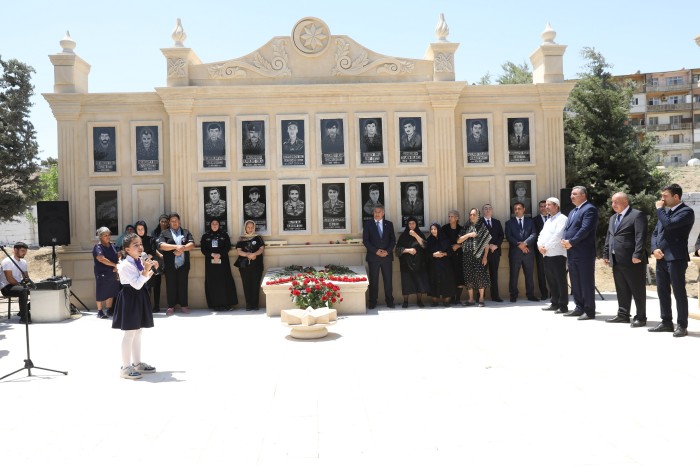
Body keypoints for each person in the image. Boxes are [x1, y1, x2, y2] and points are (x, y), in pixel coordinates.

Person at [649, 183, 695, 337]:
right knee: (662, 291)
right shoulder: (665, 212)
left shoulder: (686, 212)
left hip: (676, 258)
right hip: (661, 257)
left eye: (665, 196)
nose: (662, 199)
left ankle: (682, 325)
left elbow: (669, 226)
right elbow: (655, 233)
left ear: (676, 197)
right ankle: (666, 322)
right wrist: (654, 249)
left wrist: (659, 209)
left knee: (679, 292)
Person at [111, 232, 158, 380]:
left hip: (139, 297)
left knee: (138, 331)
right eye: (135, 245)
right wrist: (145, 270)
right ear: (127, 250)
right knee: (130, 332)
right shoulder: (125, 265)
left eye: (140, 244)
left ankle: (137, 363)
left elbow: (142, 280)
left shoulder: (138, 261)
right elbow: (136, 284)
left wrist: (150, 269)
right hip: (130, 298)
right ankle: (125, 367)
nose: (139, 247)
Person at [603, 192, 648, 327]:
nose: (613, 205)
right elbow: (609, 237)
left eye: (616, 202)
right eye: (612, 202)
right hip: (616, 259)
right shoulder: (613, 218)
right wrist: (606, 254)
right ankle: (623, 314)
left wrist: (637, 254)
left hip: (632, 260)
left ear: (625, 201)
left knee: (637, 289)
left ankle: (641, 317)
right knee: (621, 288)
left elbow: (641, 236)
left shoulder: (637, 215)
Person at [561, 186, 599, 320]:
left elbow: (585, 229)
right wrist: (564, 240)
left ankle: (589, 311)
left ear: (583, 195)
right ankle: (579, 307)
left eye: (575, 194)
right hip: (572, 252)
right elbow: (568, 229)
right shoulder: (573, 211)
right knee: (575, 281)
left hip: (584, 253)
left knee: (586, 282)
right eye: (571, 194)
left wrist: (571, 241)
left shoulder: (589, 209)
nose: (571, 196)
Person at [157, 212, 195, 316]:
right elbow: (161, 245)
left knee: (183, 285)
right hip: (170, 265)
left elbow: (191, 244)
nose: (174, 223)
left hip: (183, 264)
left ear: (179, 221)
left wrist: (182, 249)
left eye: (176, 221)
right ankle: (171, 306)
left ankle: (184, 305)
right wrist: (176, 247)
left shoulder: (185, 232)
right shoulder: (164, 233)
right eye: (172, 221)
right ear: (169, 222)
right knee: (170, 285)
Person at [537, 198, 569, 314]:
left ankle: (563, 305)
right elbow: (541, 235)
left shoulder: (562, 219)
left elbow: (558, 235)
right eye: (546, 205)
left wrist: (546, 247)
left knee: (560, 280)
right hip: (546, 254)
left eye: (549, 205)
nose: (546, 207)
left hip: (557, 254)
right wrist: (540, 246)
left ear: (556, 206)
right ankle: (554, 303)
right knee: (551, 280)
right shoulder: (548, 220)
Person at [200, 218, 238, 311]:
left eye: (216, 223)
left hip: (223, 262)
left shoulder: (224, 235)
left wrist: (220, 255)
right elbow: (203, 249)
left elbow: (227, 246)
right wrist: (212, 255)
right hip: (210, 263)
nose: (215, 225)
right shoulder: (205, 236)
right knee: (212, 282)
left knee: (224, 281)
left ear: (219, 225)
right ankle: (215, 305)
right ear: (210, 225)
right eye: (213, 223)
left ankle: (226, 304)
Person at [362, 206, 396, 309]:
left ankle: (389, 301)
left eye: (379, 212)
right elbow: (366, 240)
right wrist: (376, 251)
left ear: (383, 213)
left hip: (386, 257)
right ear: (373, 213)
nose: (377, 214)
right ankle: (372, 302)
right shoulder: (368, 224)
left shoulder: (389, 224)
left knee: (388, 280)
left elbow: (393, 240)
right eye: (375, 212)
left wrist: (387, 251)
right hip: (374, 257)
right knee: (374, 281)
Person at [456, 208, 491, 306]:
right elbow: (458, 240)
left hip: (479, 256)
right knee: (468, 277)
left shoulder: (482, 227)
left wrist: (485, 257)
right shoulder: (466, 227)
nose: (472, 216)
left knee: (480, 277)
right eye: (470, 214)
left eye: (474, 215)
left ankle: (481, 299)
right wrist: (469, 235)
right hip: (467, 255)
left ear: (478, 215)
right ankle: (470, 299)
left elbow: (487, 244)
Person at [505, 202, 538, 302]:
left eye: (519, 208)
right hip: (515, 253)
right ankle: (513, 295)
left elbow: (534, 234)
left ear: (524, 209)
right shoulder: (509, 223)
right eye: (515, 209)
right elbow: (509, 236)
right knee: (513, 274)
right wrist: (520, 245)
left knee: (529, 274)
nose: (517, 210)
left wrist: (525, 243)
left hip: (528, 252)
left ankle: (530, 294)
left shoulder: (530, 221)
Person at [396, 217, 429, 308]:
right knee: (406, 282)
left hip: (419, 263)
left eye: (413, 223)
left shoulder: (420, 234)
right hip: (406, 264)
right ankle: (405, 301)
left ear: (416, 224)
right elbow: (397, 250)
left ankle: (419, 301)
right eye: (410, 224)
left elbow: (424, 245)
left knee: (419, 282)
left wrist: (415, 235)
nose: (411, 225)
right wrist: (408, 250)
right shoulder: (403, 236)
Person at [235, 220, 265, 311]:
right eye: (248, 227)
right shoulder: (241, 238)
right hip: (245, 266)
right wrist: (248, 255)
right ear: (245, 228)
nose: (250, 229)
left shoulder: (258, 238)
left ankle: (255, 305)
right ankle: (248, 304)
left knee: (255, 285)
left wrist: (254, 254)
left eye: (252, 227)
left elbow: (261, 249)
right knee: (246, 285)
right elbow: (239, 251)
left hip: (257, 266)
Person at [92, 227, 120, 319]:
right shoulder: (98, 247)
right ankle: (99, 311)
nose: (108, 237)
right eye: (105, 235)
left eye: (109, 235)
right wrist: (114, 265)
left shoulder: (113, 245)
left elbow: (119, 254)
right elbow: (101, 258)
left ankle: (109, 309)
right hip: (102, 272)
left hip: (112, 272)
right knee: (101, 290)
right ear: (100, 237)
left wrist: (118, 265)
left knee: (111, 290)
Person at [1, 242, 32, 324]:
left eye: (25, 251)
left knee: (38, 290)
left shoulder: (23, 262)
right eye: (22, 250)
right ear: (15, 250)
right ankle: (24, 318)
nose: (24, 253)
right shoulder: (7, 261)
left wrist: (30, 285)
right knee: (23, 290)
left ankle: (23, 311)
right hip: (7, 287)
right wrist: (22, 286)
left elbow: (26, 277)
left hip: (18, 285)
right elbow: (9, 279)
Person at [134, 220, 161, 313]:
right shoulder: (133, 241)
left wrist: (146, 258)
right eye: (138, 229)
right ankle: (142, 307)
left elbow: (153, 252)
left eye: (142, 229)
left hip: (149, 264)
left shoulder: (151, 239)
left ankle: (153, 306)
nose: (140, 231)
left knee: (151, 286)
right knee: (141, 286)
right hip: (137, 265)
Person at [426, 223, 456, 307]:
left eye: (435, 229)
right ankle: (434, 301)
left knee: (446, 281)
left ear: (438, 230)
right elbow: (426, 253)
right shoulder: (429, 240)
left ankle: (446, 301)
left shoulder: (445, 239)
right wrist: (433, 255)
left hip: (445, 265)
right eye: (431, 229)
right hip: (434, 265)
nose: (433, 231)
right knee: (434, 281)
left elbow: (451, 251)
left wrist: (444, 254)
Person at [441, 210, 465, 304]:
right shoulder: (444, 229)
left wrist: (458, 246)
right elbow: (442, 241)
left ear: (457, 218)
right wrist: (449, 249)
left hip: (459, 256)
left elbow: (468, 242)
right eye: (449, 216)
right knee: (449, 277)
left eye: (452, 216)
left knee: (459, 277)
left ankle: (457, 298)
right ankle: (450, 297)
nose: (450, 218)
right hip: (448, 256)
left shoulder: (462, 229)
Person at [482, 204, 504, 302]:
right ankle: (480, 296)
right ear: (483, 211)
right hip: (483, 254)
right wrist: (488, 245)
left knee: (494, 274)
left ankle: (495, 296)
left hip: (495, 252)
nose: (487, 210)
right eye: (485, 209)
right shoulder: (479, 223)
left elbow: (501, 235)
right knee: (481, 275)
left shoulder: (497, 222)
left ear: (492, 210)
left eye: (489, 208)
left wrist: (496, 245)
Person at [149, 214, 169, 312]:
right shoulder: (154, 233)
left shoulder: (170, 232)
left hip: (169, 260)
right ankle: (156, 305)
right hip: (157, 261)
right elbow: (153, 247)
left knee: (170, 282)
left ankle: (171, 305)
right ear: (159, 222)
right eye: (162, 221)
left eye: (165, 221)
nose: (164, 223)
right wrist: (160, 255)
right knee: (156, 283)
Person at [533, 200, 549, 300]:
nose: (543, 208)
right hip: (540, 250)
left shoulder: (553, 218)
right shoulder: (534, 220)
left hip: (553, 249)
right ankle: (544, 293)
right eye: (541, 206)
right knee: (541, 272)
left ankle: (554, 293)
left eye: (545, 206)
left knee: (553, 272)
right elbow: (535, 234)